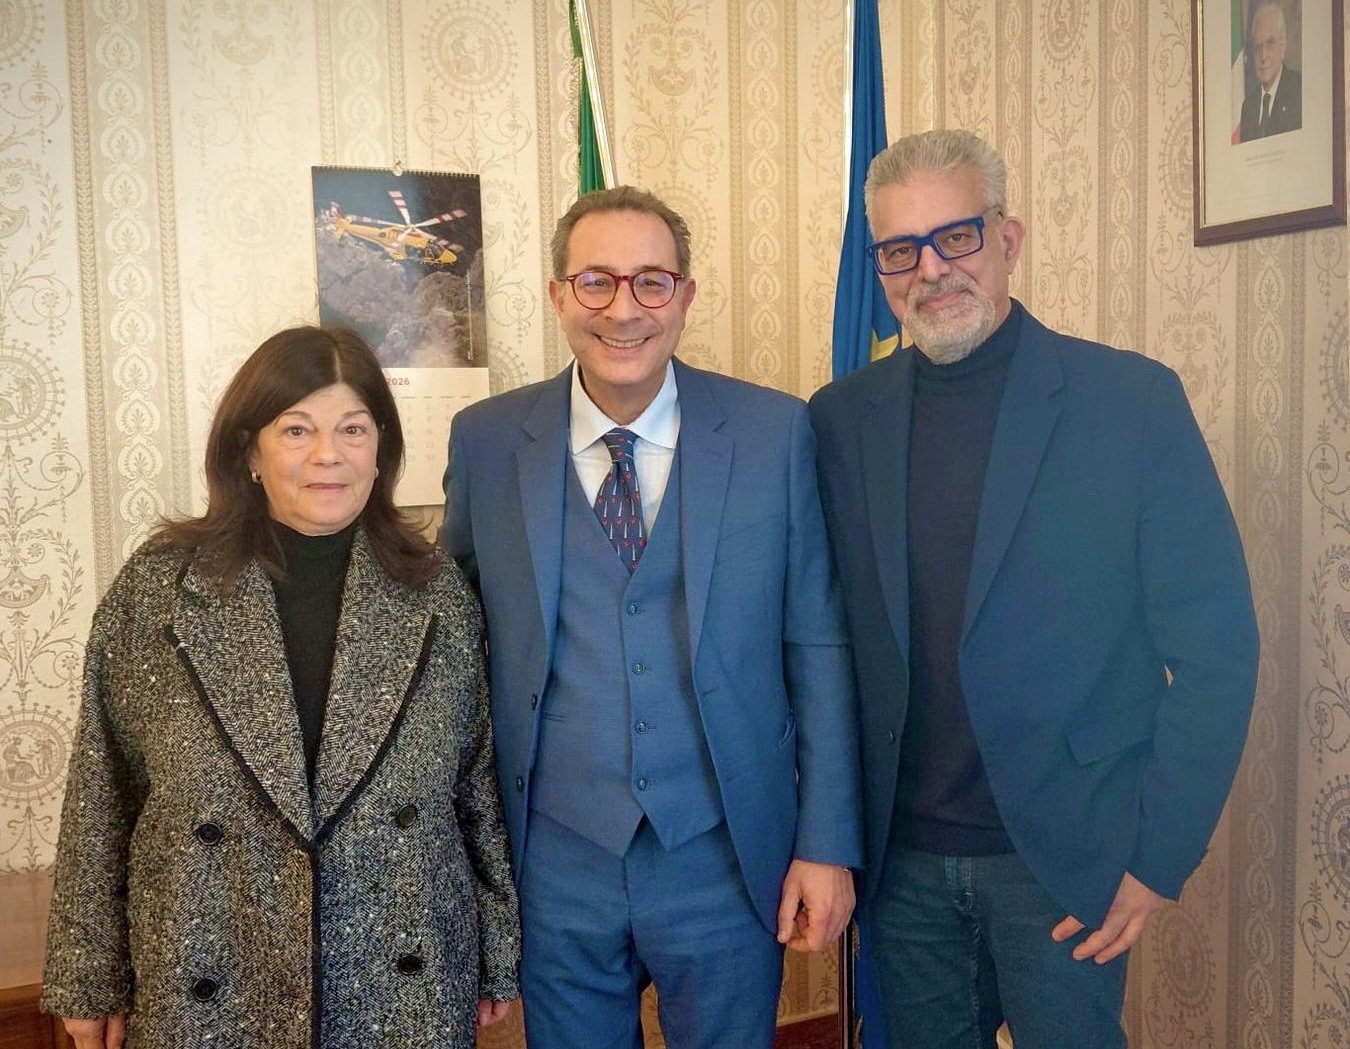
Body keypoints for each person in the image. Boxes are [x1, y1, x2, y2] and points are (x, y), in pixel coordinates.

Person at [809, 130, 1259, 1048]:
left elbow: (1217, 649)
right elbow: (821, 642)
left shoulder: (1129, 403)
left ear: (1008, 239)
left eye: (956, 236)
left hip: (1063, 861)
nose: (932, 269)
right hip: (900, 868)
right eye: (900, 249)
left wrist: (1157, 858)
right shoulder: (839, 420)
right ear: (879, 269)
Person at [439, 185, 861, 1049]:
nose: (624, 309)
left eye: (651, 282)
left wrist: (826, 841)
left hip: (725, 853)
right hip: (553, 860)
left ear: (685, 295)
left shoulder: (774, 432)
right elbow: (451, 646)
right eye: (596, 281)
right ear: (558, 294)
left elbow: (816, 645)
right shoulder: (486, 441)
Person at [42, 326, 520, 1049]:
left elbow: (475, 784)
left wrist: (497, 949)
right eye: (297, 429)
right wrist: (88, 977)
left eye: (353, 428)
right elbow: (101, 792)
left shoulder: (436, 593)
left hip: (404, 978)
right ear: (249, 450)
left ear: (381, 448)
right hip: (207, 964)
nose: (329, 454)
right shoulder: (159, 592)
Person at [1239, 2, 1302, 141]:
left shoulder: (1300, 91)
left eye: (1270, 44)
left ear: (1283, 45)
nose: (1263, 56)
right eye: (1257, 47)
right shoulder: (1248, 107)